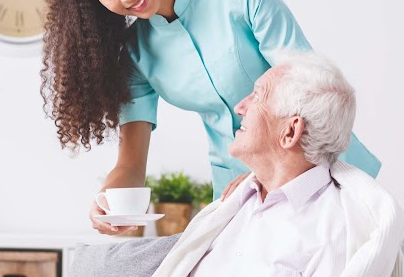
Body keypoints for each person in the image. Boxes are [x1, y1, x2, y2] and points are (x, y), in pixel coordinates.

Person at [35, 0, 381, 235]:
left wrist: (267, 172)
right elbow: (131, 164)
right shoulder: (136, 53)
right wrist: (110, 200)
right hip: (238, 196)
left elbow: (311, 91)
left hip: (324, 173)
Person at [154, 51, 404, 276]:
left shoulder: (332, 233)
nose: (240, 107)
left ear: (290, 131)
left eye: (258, 96)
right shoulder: (235, 202)